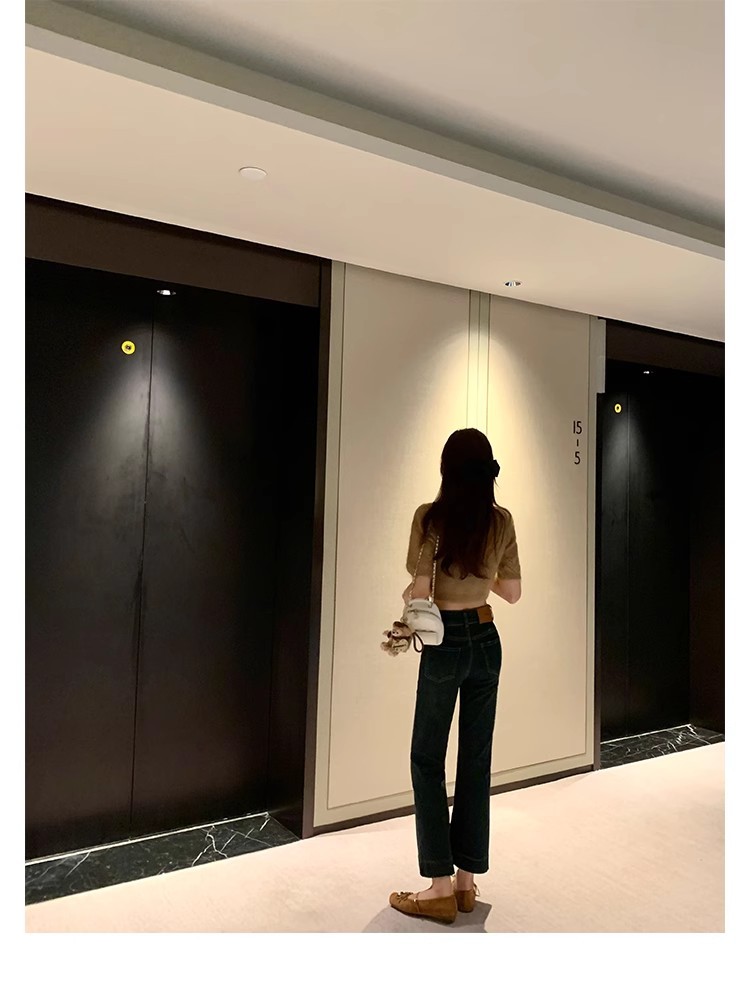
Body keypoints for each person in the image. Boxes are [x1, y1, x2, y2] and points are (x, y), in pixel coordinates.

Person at [389, 428, 522, 925]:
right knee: (476, 758)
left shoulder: (430, 518)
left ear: (446, 470)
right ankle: (466, 882)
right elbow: (512, 592)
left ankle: (439, 887)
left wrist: (416, 594)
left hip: (443, 643)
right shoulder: (501, 520)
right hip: (486, 639)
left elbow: (420, 584)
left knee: (427, 758)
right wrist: (482, 574)